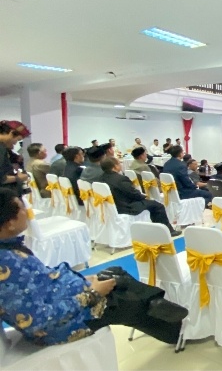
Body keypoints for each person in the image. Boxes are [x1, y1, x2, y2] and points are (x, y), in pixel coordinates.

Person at [0, 187, 187, 345]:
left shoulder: (10, 249)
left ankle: (158, 305)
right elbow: (38, 320)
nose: (27, 212)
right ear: (9, 223)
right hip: (61, 327)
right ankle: (175, 329)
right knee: (124, 300)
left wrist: (79, 280)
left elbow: (41, 281)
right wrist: (92, 294)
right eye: (22, 208)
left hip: (60, 296)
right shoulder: (6, 266)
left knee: (115, 273)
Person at [100, 158, 180, 237]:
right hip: (127, 206)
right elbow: (133, 194)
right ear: (115, 166)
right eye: (119, 163)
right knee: (158, 206)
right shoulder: (120, 179)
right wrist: (143, 196)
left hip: (111, 207)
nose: (121, 165)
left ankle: (159, 229)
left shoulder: (99, 179)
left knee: (151, 203)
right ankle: (167, 231)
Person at [0, 121, 30, 197]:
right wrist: (18, 178)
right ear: (11, 133)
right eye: (17, 139)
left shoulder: (5, 149)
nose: (15, 143)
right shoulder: (1, 149)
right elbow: (2, 179)